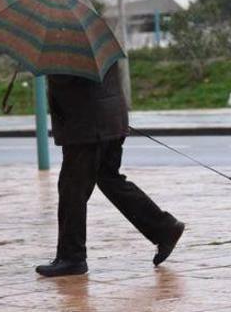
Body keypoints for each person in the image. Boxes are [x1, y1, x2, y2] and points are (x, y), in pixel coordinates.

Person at [35, 64, 185, 277]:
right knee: (109, 179)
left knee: (72, 189)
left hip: (88, 126)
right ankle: (164, 229)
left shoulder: (67, 52)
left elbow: (66, 83)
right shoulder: (94, 41)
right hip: (109, 118)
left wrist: (47, 69)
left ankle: (72, 257)